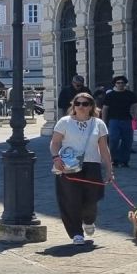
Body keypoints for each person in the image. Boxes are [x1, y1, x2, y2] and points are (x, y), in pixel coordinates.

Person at [50, 92, 112, 246]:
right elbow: (55, 142)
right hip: (68, 165)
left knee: (93, 197)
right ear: (73, 105)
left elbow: (104, 148)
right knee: (70, 200)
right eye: (78, 103)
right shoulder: (64, 122)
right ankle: (76, 233)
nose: (81, 107)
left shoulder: (98, 123)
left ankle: (89, 220)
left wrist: (109, 169)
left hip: (92, 164)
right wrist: (56, 158)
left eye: (85, 104)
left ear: (91, 106)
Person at [101, 75, 137, 168]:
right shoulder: (110, 95)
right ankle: (113, 159)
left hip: (127, 120)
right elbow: (105, 109)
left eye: (122, 83)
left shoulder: (130, 94)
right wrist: (103, 121)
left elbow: (135, 107)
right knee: (113, 140)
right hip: (113, 120)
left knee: (127, 141)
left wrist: (136, 118)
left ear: (125, 84)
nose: (120, 84)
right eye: (118, 83)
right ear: (115, 84)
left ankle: (124, 160)